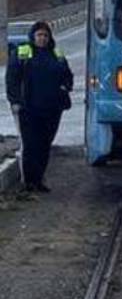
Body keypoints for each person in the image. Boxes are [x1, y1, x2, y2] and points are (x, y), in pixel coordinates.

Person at [6, 21, 73, 196]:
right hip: (28, 108)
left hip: (52, 109)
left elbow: (67, 75)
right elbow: (12, 79)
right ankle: (28, 182)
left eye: (45, 35)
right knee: (30, 145)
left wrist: (66, 86)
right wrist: (15, 101)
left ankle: (39, 179)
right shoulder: (22, 53)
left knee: (44, 144)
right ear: (33, 37)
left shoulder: (56, 54)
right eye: (39, 35)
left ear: (49, 37)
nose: (42, 38)